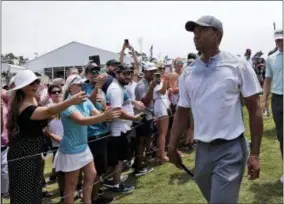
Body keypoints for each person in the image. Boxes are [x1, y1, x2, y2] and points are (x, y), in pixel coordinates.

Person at [168, 15, 263, 204]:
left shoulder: (238, 65)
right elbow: (182, 111)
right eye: (194, 32)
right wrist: (171, 145)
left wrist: (255, 154)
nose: (196, 36)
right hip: (203, 150)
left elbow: (254, 109)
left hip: (231, 148)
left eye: (202, 31)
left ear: (218, 34)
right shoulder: (189, 72)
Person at [6, 70, 87, 204]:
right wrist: (70, 101)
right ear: (22, 88)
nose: (35, 85)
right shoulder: (25, 106)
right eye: (30, 83)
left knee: (33, 190)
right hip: (24, 153)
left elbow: (42, 118)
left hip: (32, 151)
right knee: (24, 193)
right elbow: (48, 111)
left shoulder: (30, 99)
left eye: (36, 81)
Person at [53, 74, 121, 204]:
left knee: (91, 175)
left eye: (85, 84)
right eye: (80, 85)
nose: (84, 87)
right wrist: (104, 116)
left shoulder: (86, 101)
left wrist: (108, 112)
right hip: (71, 149)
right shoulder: (67, 105)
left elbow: (98, 116)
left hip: (83, 146)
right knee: (71, 186)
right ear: (71, 87)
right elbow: (82, 121)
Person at [104, 63, 143, 192]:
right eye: (125, 73)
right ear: (117, 74)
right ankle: (116, 184)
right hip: (117, 129)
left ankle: (112, 180)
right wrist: (134, 118)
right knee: (119, 159)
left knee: (117, 159)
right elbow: (117, 111)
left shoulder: (119, 87)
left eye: (130, 73)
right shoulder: (116, 89)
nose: (128, 76)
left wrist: (133, 103)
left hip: (120, 128)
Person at [263, 29, 283, 183]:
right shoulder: (270, 59)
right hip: (277, 99)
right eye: (277, 40)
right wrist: (264, 100)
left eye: (281, 39)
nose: (280, 43)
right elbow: (267, 80)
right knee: (282, 135)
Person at [134, 62, 157, 176]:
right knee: (141, 143)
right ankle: (138, 167)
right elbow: (145, 102)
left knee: (145, 141)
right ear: (145, 72)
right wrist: (152, 87)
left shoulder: (147, 83)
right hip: (142, 117)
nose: (153, 73)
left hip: (147, 116)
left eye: (154, 71)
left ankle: (140, 164)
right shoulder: (142, 84)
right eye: (151, 71)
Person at [45, 85, 65, 196]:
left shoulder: (66, 105)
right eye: (54, 92)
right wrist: (50, 135)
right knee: (61, 171)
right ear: (50, 95)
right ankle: (63, 194)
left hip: (70, 141)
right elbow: (45, 128)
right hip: (57, 143)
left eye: (59, 91)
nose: (57, 93)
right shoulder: (48, 108)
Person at [153, 65, 170, 162]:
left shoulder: (161, 81)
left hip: (163, 105)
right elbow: (163, 92)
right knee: (163, 132)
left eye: (163, 70)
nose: (162, 72)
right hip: (160, 106)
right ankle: (162, 155)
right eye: (160, 71)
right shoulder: (156, 82)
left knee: (162, 132)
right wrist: (165, 79)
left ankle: (160, 153)